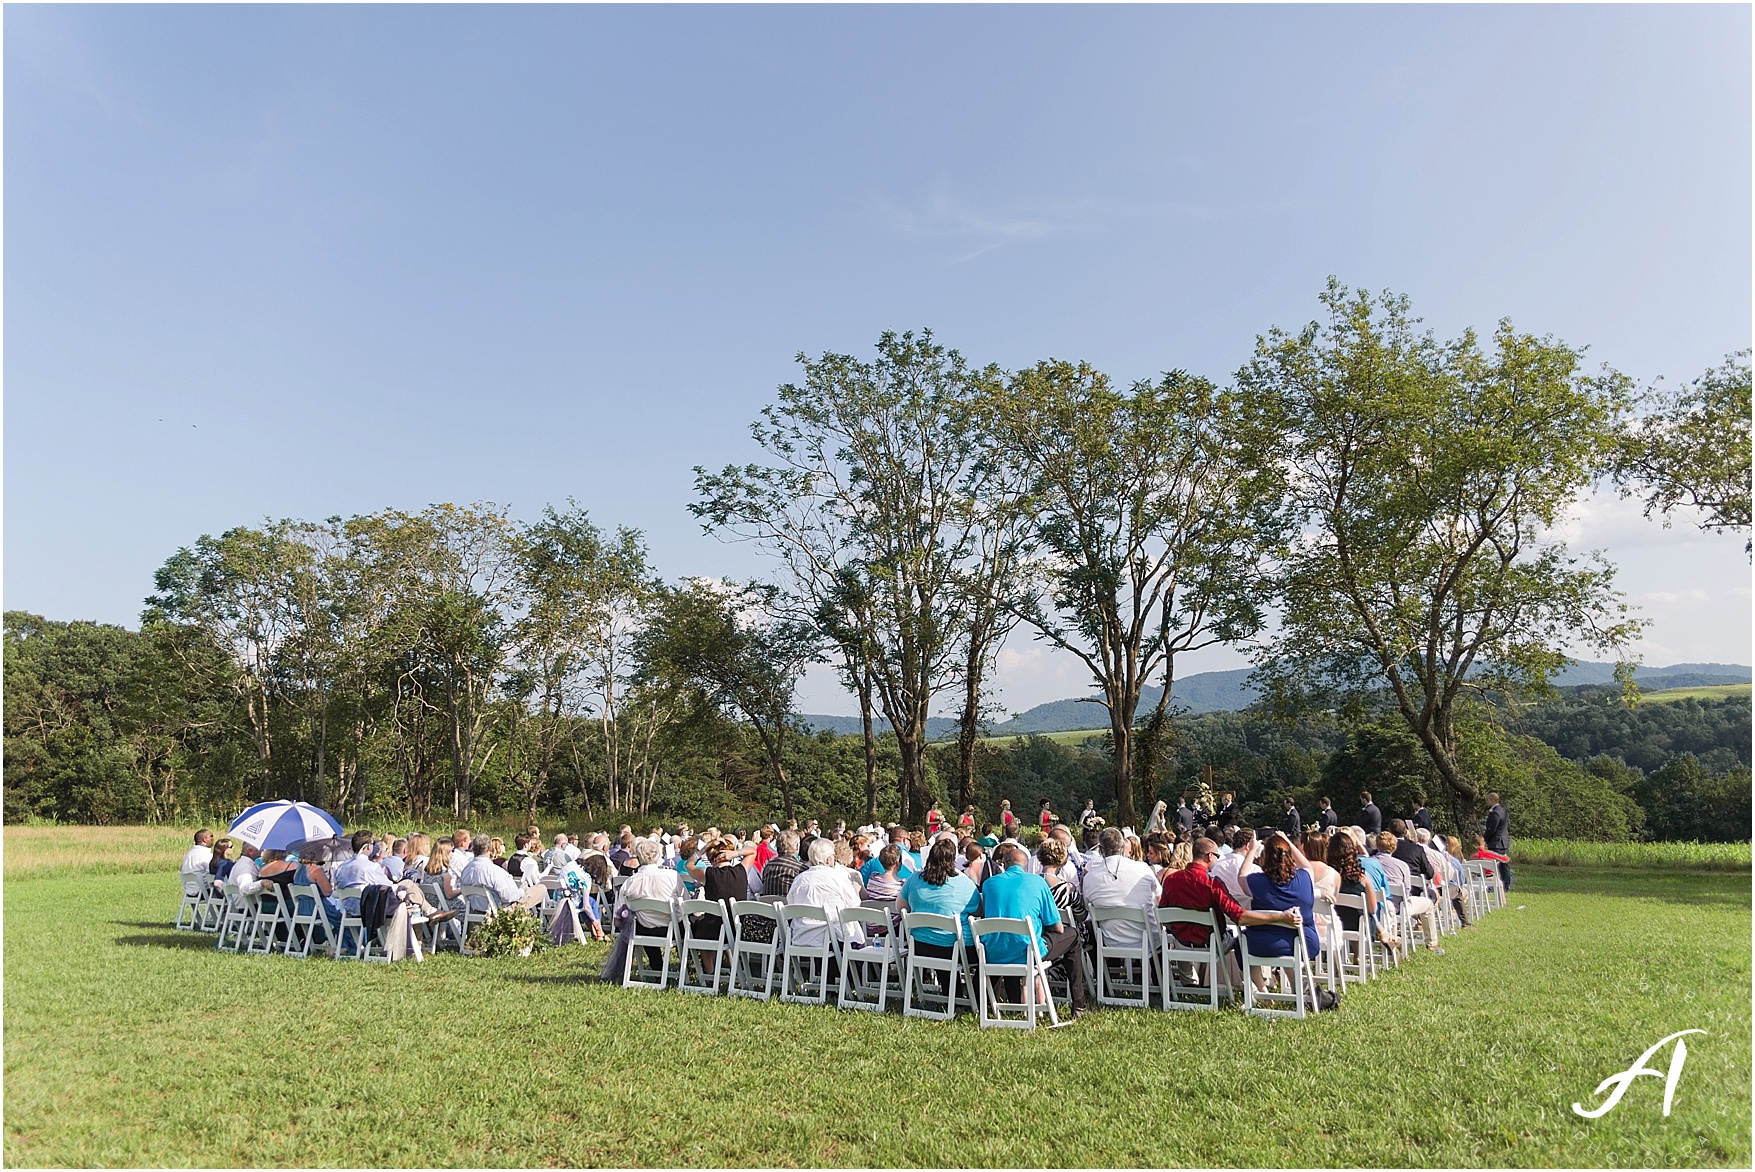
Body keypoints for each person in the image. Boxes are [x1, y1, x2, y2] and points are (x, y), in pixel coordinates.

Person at [977, 842, 1090, 1018]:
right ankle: (1079, 1004)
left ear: (1004, 863)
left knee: (1012, 939)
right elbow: (1058, 926)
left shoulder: (989, 884)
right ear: (1027, 864)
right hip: (1027, 952)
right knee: (1073, 937)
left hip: (994, 952)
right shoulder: (1037, 881)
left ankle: (1014, 1004)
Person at [1242, 832, 1317, 984]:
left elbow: (1242, 875)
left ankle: (1262, 990)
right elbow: (1306, 865)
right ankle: (1296, 987)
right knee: (1287, 939)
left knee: (1241, 943)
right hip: (1304, 943)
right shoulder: (1305, 877)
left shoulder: (1256, 882)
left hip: (1263, 944)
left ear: (1265, 856)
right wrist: (1287, 842)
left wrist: (1251, 851)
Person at [897, 838, 980, 961]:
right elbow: (978, 911)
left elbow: (900, 908)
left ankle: (948, 980)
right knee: (986, 953)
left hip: (920, 946)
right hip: (956, 949)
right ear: (953, 860)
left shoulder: (914, 880)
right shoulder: (965, 884)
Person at [1080, 826, 1159, 953]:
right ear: (1123, 847)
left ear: (1100, 849)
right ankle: (1157, 972)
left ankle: (1104, 973)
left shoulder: (1090, 877)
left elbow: (1087, 906)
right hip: (1148, 940)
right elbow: (1159, 896)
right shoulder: (1142, 868)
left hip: (1109, 942)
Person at [786, 837, 865, 954]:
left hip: (802, 937)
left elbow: (791, 905)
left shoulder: (800, 879)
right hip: (833, 941)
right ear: (829, 859)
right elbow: (854, 906)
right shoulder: (838, 877)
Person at [1371, 831, 1441, 954]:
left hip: (1375, 905)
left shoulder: (1370, 863)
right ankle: (1432, 943)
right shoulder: (1401, 865)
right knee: (1429, 904)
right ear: (1394, 847)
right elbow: (1407, 891)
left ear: (1377, 845)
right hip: (1399, 906)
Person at [621, 838, 685, 970]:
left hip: (645, 931)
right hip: (673, 930)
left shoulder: (630, 882)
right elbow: (686, 903)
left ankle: (657, 968)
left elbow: (620, 915)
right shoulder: (672, 876)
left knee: (641, 923)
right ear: (658, 856)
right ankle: (687, 964)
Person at [458, 838, 546, 913]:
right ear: (489, 849)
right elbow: (508, 897)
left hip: (475, 911)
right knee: (541, 889)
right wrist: (522, 890)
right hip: (500, 911)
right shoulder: (493, 871)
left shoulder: (466, 870)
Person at [1037, 836, 1090, 952]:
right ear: (1062, 859)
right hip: (1064, 939)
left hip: (1039, 936)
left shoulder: (1031, 886)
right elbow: (1081, 916)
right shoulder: (1068, 889)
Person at [1209, 828, 1258, 907]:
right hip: (1248, 915)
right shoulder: (1255, 870)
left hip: (1220, 915)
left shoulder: (1215, 866)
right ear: (1249, 846)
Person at [760, 830, 806, 901]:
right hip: (790, 910)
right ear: (797, 846)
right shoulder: (800, 869)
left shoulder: (768, 867)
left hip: (768, 910)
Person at [1483, 792, 1512, 891]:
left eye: (1488, 800)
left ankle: (1497, 886)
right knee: (1504, 864)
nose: (1487, 802)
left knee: (1494, 865)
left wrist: (1484, 840)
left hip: (1496, 842)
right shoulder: (1503, 811)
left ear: (1492, 800)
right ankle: (1506, 884)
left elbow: (1491, 828)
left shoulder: (1495, 812)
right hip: (1503, 841)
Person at [180, 830, 214, 894]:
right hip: (203, 892)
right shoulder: (206, 855)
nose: (213, 838)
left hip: (189, 891)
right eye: (211, 836)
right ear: (205, 839)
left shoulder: (188, 854)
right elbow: (212, 872)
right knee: (228, 891)